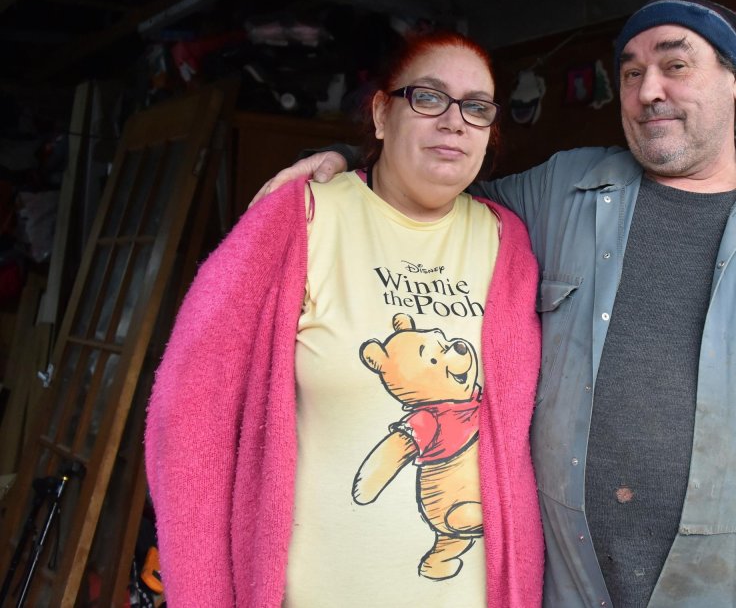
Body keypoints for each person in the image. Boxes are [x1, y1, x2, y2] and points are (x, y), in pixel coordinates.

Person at [260, 0, 736, 607]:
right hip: (572, 589)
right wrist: (351, 160)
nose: (649, 90)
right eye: (632, 73)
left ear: (735, 83)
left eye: (676, 65)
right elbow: (435, 189)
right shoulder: (563, 190)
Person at [144, 31, 545, 607]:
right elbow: (189, 418)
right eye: (428, 98)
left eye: (476, 108)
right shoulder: (299, 217)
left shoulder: (508, 242)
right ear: (382, 113)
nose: (455, 122)